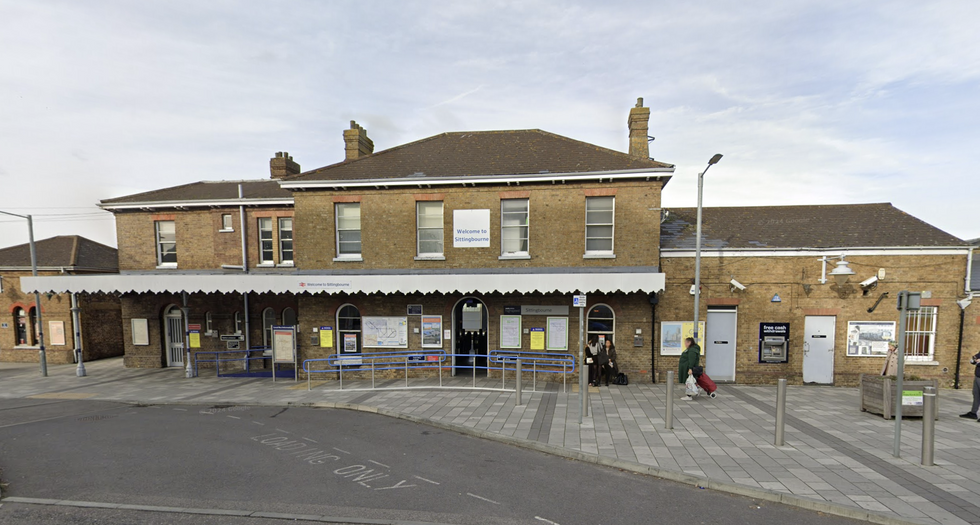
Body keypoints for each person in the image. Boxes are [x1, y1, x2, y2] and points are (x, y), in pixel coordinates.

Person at [960, 351, 980, 421]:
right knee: (976, 394)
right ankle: (973, 413)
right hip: (978, 376)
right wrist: (974, 359)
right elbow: (977, 356)